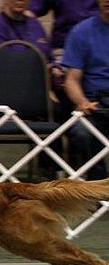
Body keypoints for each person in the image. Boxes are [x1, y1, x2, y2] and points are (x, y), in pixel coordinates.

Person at [62, 0, 109, 180]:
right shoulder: (81, 32)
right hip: (94, 104)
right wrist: (82, 103)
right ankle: (98, 181)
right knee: (82, 131)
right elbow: (72, 80)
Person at [0, 0, 54, 99]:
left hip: (34, 88)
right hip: (1, 89)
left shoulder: (35, 25)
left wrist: (54, 68)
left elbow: (48, 57)